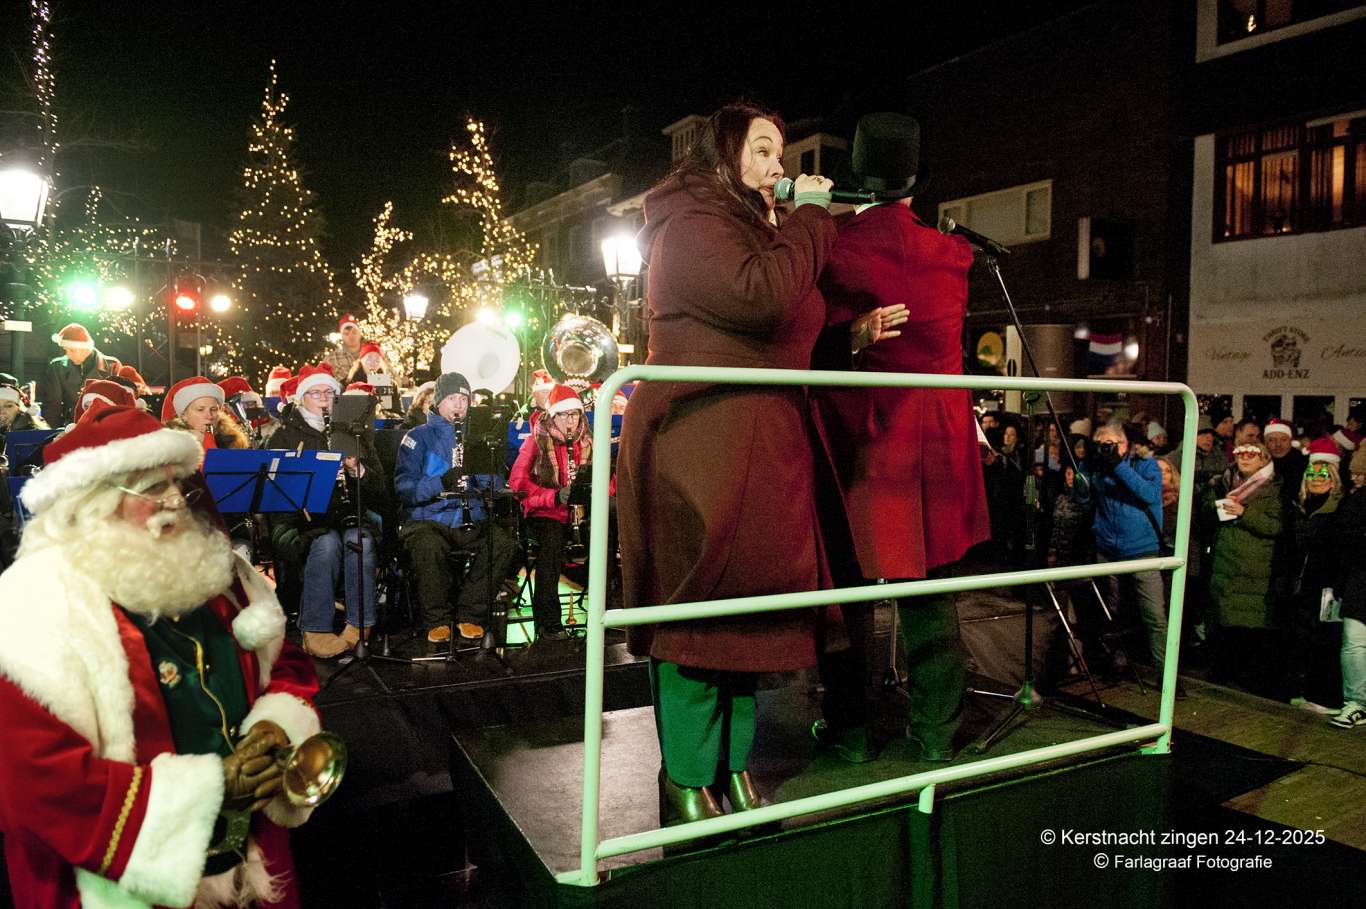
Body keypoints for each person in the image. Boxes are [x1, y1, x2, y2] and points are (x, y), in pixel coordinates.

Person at [0, 405, 321, 907]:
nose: (175, 499)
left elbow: (285, 664)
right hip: (126, 883)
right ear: (93, 504)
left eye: (178, 483)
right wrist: (210, 790)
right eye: (152, 487)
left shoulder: (216, 571)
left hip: (251, 863)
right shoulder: (32, 607)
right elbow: (34, 780)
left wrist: (276, 726)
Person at [617, 101, 839, 824]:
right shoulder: (690, 222)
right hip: (702, 440)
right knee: (701, 610)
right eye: (764, 150)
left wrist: (850, 336)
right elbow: (760, 297)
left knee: (749, 617)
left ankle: (734, 767)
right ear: (725, 153)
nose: (780, 166)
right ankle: (688, 776)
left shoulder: (751, 226)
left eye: (781, 152)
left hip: (760, 436)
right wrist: (811, 219)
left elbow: (787, 319)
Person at [809, 111, 988, 763]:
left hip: (862, 437)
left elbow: (806, 341)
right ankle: (935, 734)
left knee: (848, 590)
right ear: (916, 181)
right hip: (936, 438)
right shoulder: (954, 254)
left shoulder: (833, 246)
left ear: (858, 176)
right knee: (931, 593)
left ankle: (851, 732)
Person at [265, 364, 385, 657]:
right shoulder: (283, 435)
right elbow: (274, 490)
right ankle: (315, 628)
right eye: (315, 392)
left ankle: (360, 624)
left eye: (329, 392)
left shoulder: (354, 432)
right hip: (302, 519)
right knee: (326, 544)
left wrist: (357, 470)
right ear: (301, 398)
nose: (323, 398)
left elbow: (380, 490)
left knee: (360, 541)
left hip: (348, 514)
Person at [394, 371, 519, 645]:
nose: (459, 405)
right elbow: (405, 488)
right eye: (452, 399)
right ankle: (437, 620)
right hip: (429, 518)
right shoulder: (418, 437)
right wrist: (442, 481)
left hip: (470, 516)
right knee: (428, 546)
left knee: (502, 544)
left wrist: (480, 473)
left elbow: (497, 483)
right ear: (438, 402)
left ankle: (470, 613)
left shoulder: (479, 437)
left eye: (464, 399)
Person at [508, 384, 592, 642]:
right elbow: (518, 483)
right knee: (552, 544)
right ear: (553, 416)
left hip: (580, 513)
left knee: (607, 536)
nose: (570, 421)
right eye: (564, 415)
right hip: (545, 512)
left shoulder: (588, 441)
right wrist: (554, 496)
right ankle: (549, 622)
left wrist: (591, 491)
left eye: (574, 414)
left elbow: (609, 478)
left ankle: (605, 609)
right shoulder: (536, 440)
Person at [1205, 441, 1285, 692]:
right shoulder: (1224, 482)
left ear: (1264, 459)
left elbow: (1276, 526)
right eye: (1240, 453)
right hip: (1224, 565)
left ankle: (1245, 680)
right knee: (1224, 622)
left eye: (1252, 453)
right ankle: (1224, 676)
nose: (1245, 457)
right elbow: (1205, 515)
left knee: (1248, 627)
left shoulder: (1274, 487)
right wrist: (1215, 504)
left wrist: (1243, 512)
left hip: (1253, 569)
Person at [1089, 421, 1169, 671]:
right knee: (1112, 611)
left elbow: (1148, 494)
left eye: (1109, 444)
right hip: (1108, 550)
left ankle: (1165, 671)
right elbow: (1082, 497)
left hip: (1142, 550)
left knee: (1154, 615)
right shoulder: (1098, 467)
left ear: (1124, 444)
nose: (1105, 449)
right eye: (1100, 444)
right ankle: (1117, 662)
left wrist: (1117, 465)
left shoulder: (1146, 465)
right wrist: (1085, 465)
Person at [1285, 439, 1345, 708]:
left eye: (1323, 475)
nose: (1316, 479)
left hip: (1324, 585)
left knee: (1323, 640)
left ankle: (1321, 695)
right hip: (1299, 583)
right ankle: (1301, 689)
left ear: (1333, 480)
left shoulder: (1339, 510)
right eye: (1311, 474)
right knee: (1300, 637)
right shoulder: (1299, 507)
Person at [1331, 446, 1366, 728]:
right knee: (1354, 642)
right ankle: (1357, 702)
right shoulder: (1357, 502)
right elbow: (1345, 541)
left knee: (1354, 643)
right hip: (1360, 581)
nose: (1355, 477)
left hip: (1358, 579)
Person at [38, 322, 112, 426]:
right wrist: (53, 433)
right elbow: (52, 406)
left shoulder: (112, 366)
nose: (67, 355)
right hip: (70, 427)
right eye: (65, 350)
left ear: (86, 348)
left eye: (72, 350)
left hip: (104, 427)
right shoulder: (57, 367)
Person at [162, 376, 228, 450]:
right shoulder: (171, 448)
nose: (209, 416)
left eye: (214, 409)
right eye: (200, 410)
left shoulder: (231, 441)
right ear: (184, 415)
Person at [1264, 418, 1306, 506]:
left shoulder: (1303, 462)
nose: (1278, 444)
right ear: (1265, 443)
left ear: (1291, 441)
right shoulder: (1259, 462)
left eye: (1283, 439)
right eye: (1272, 440)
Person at [321, 314, 364, 378]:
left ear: (360, 333)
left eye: (354, 332)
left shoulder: (374, 354)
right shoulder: (331, 359)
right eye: (346, 333)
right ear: (341, 336)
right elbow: (323, 380)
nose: (351, 336)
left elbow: (380, 379)